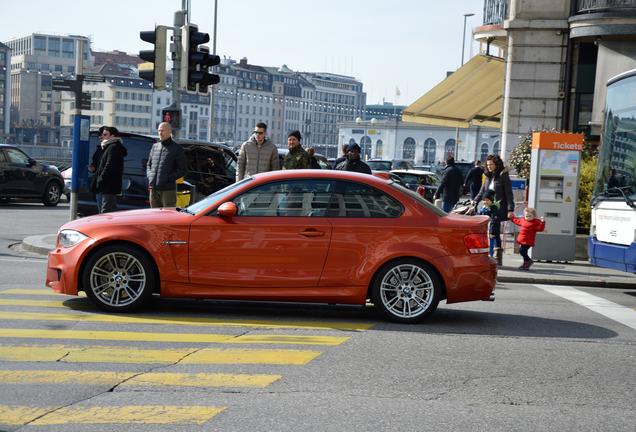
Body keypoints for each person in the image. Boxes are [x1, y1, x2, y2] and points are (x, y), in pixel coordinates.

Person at [147, 122, 188, 208]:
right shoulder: (155, 147)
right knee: (154, 216)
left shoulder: (176, 148)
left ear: (170, 132)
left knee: (168, 216)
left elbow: (183, 169)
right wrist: (150, 176)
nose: (160, 133)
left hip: (167, 189)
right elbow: (149, 164)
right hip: (153, 188)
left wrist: (168, 178)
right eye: (159, 131)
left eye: (163, 131)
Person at [88, 127, 127, 213]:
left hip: (109, 185)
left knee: (106, 211)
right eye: (102, 134)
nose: (103, 136)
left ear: (112, 136)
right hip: (107, 184)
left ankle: (105, 226)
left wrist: (100, 180)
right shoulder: (108, 147)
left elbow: (109, 167)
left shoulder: (113, 148)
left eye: (105, 135)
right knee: (106, 210)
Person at [480, 189, 502, 265]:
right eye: (484, 200)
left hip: (492, 231)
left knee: (492, 246)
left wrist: (492, 232)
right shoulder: (484, 208)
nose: (486, 202)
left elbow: (494, 221)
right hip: (486, 230)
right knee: (488, 245)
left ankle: (493, 260)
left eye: (488, 200)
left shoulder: (494, 209)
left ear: (492, 200)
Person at [89, 126, 106, 213]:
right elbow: (96, 162)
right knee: (102, 209)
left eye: (102, 137)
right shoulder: (99, 149)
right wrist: (93, 167)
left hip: (105, 184)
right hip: (100, 182)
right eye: (100, 138)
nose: (100, 140)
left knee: (105, 210)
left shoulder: (111, 149)